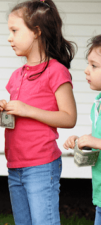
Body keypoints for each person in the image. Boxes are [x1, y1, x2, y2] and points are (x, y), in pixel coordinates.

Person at [0, 0, 77, 225]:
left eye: (14, 30)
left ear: (36, 32)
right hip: (14, 165)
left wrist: (27, 109)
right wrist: (4, 110)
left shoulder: (56, 71)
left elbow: (69, 117)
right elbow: (17, 119)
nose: (9, 38)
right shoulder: (16, 75)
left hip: (41, 165)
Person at [63, 35, 101, 224]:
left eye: (94, 66)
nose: (87, 71)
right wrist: (82, 142)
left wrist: (95, 142)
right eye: (88, 64)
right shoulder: (97, 104)